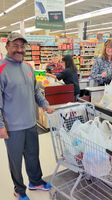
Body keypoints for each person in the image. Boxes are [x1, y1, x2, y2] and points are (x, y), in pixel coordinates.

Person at [0, 32, 54, 200]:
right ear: (7, 46)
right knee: (15, 161)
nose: (19, 49)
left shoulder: (28, 67)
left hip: (31, 123)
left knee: (33, 155)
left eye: (22, 46)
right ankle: (19, 189)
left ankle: (35, 181)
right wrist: (1, 126)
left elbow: (36, 91)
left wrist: (45, 104)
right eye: (15, 46)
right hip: (13, 127)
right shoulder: (1, 69)